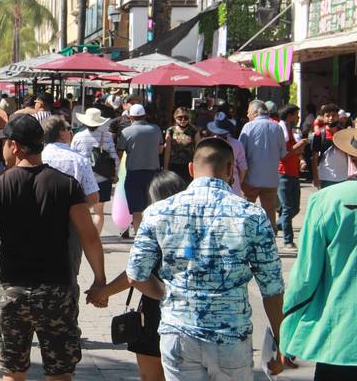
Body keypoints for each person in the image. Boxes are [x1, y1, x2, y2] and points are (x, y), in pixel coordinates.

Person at [126, 137, 285, 381]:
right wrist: (281, 341)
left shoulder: (158, 212)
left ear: (191, 168)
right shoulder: (252, 215)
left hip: (178, 333)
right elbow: (272, 288)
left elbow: (136, 275)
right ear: (231, 169)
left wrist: (167, 294)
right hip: (231, 337)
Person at [0, 114, 108, 380]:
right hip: (56, 290)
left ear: (15, 146)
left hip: (13, 291)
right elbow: (89, 236)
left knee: (13, 372)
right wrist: (100, 281)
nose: (3, 149)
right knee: (60, 373)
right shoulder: (67, 185)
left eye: (5, 143)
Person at [94, 170, 187, 381]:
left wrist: (102, 292)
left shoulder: (153, 223)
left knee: (151, 376)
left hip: (155, 311)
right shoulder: (195, 227)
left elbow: (134, 273)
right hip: (188, 311)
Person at [280, 126, 357, 380]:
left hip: (340, 338)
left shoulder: (326, 200)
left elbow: (306, 276)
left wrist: (288, 331)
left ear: (350, 158)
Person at [116, 104, 163, 236]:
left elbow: (119, 153)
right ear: (145, 116)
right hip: (153, 173)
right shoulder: (156, 129)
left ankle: (139, 238)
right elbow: (160, 149)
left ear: (130, 117)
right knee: (152, 207)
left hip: (134, 174)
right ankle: (152, 237)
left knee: (137, 210)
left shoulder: (126, 132)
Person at [239, 100, 286, 231]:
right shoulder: (277, 127)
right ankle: (270, 239)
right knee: (269, 209)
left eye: (248, 112)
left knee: (247, 209)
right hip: (271, 179)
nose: (247, 115)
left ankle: (247, 235)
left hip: (251, 178)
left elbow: (240, 153)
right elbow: (283, 153)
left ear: (255, 112)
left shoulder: (248, 127)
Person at [71, 107, 117, 234]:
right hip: (103, 178)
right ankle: (95, 237)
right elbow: (114, 157)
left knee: (81, 210)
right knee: (98, 212)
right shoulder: (106, 136)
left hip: (83, 178)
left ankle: (83, 235)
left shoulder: (78, 137)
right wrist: (115, 174)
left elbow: (72, 157)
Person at [277, 104, 307, 250]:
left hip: (293, 174)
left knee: (294, 208)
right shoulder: (281, 131)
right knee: (289, 208)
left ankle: (277, 224)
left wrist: (301, 159)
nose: (298, 117)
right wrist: (298, 146)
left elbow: (293, 152)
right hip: (283, 175)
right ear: (290, 116)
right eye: (296, 115)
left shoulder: (290, 131)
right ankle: (288, 240)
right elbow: (283, 155)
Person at [206, 112, 247, 196]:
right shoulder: (237, 144)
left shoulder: (208, 144)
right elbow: (243, 168)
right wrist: (239, 182)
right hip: (233, 185)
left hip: (212, 186)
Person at [311, 103, 349, 189]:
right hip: (325, 177)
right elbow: (314, 158)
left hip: (343, 177)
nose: (331, 118)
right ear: (323, 118)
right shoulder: (319, 134)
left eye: (334, 115)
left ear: (338, 116)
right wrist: (315, 178)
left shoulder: (344, 134)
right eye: (328, 116)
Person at [163, 107, 197, 183]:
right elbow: (167, 151)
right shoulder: (170, 130)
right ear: (175, 118)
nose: (183, 120)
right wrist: (165, 168)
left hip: (189, 166)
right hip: (174, 165)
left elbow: (198, 149)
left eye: (186, 117)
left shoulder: (194, 130)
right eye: (180, 117)